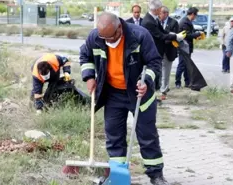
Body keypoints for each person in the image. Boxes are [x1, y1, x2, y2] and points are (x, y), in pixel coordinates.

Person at [79, 12, 169, 185]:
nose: (108, 42)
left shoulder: (140, 35)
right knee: (114, 134)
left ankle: (156, 175)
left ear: (119, 27)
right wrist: (89, 76)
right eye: (103, 38)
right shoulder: (95, 37)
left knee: (147, 134)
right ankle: (118, 173)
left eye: (111, 37)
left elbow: (154, 62)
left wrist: (147, 82)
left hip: (138, 94)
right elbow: (85, 56)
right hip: (112, 93)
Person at [141, 0, 185, 91]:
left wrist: (173, 35)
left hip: (158, 51)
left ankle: (156, 91)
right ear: (156, 9)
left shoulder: (154, 18)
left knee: (158, 74)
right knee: (153, 74)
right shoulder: (149, 21)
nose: (161, 10)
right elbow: (160, 36)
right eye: (160, 8)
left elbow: (163, 32)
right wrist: (175, 36)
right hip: (152, 52)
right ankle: (153, 92)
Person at [175, 7, 202, 89]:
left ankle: (187, 82)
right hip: (184, 46)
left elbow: (190, 33)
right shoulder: (185, 22)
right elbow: (187, 35)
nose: (196, 17)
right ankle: (178, 82)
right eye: (196, 15)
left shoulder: (188, 21)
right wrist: (197, 34)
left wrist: (196, 35)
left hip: (187, 46)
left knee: (187, 65)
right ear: (193, 14)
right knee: (182, 65)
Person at [158, 6, 179, 100]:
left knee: (166, 71)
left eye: (161, 13)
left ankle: (164, 91)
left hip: (168, 51)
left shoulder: (174, 23)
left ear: (166, 13)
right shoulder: (156, 22)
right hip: (158, 50)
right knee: (158, 71)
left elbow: (175, 36)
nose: (159, 15)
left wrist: (163, 38)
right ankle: (158, 87)